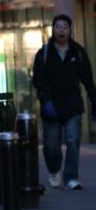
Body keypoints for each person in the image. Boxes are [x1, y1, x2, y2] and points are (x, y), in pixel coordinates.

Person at [31, 14, 96, 190]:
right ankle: (54, 170)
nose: (61, 29)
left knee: (73, 140)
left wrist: (93, 99)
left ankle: (71, 177)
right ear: (53, 30)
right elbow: (37, 79)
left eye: (64, 26)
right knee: (51, 146)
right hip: (51, 106)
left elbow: (88, 79)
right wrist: (44, 99)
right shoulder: (44, 53)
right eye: (58, 26)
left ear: (70, 30)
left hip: (73, 104)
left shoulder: (78, 52)